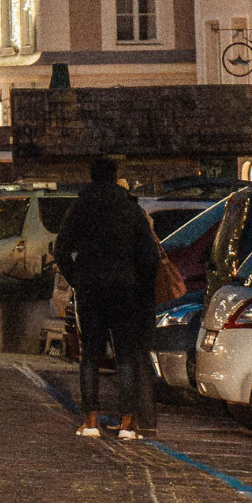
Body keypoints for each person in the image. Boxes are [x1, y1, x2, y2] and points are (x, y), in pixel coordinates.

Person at [52, 154, 163, 440]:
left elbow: (61, 249)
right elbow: (150, 255)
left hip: (90, 288)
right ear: (115, 176)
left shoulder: (80, 207)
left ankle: (90, 421)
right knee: (125, 354)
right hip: (125, 289)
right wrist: (139, 284)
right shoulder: (130, 209)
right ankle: (127, 423)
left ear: (91, 176)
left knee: (90, 354)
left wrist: (77, 277)